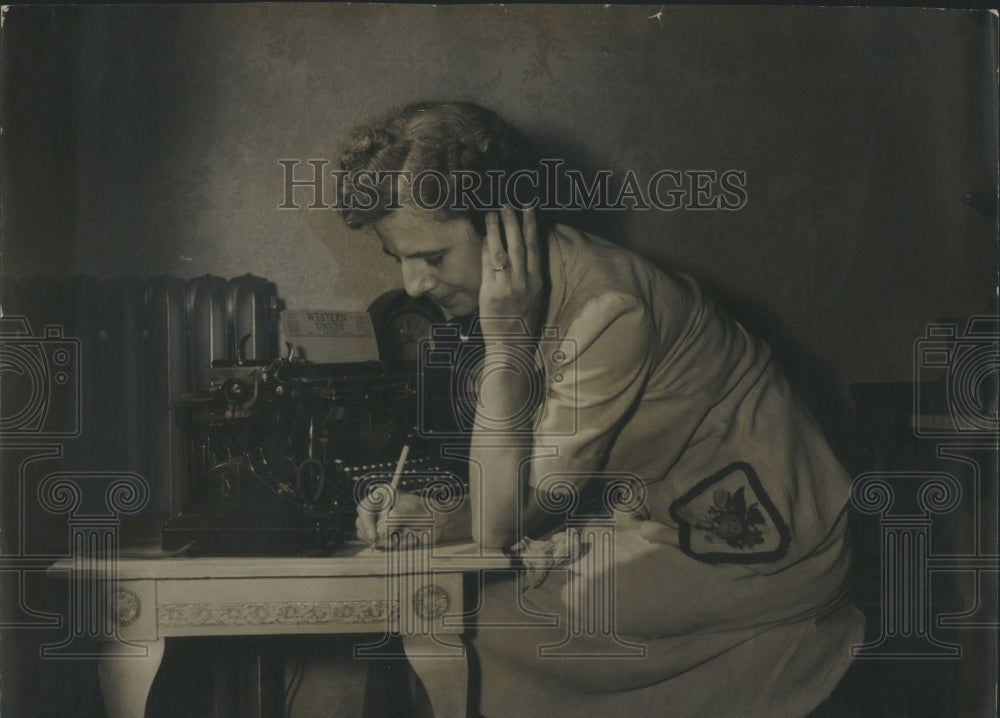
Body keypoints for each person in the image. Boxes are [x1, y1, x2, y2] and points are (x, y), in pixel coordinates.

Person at [342, 101, 864, 717]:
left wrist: (507, 346)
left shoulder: (608, 308)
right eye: (396, 257)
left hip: (768, 542)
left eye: (430, 257)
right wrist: (430, 515)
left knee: (469, 615)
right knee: (441, 599)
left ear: (508, 223)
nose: (412, 285)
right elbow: (511, 499)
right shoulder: (525, 284)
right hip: (656, 517)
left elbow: (500, 525)